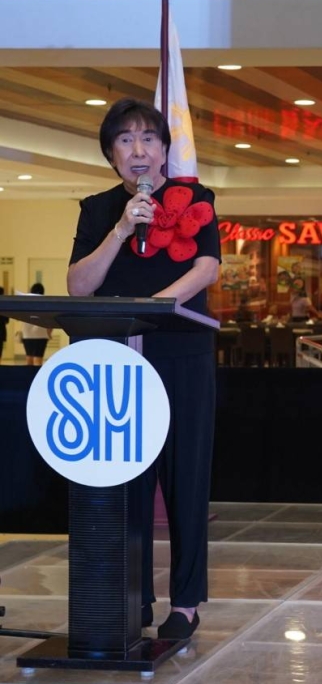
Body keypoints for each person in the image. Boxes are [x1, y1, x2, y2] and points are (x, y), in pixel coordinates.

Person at [66, 98, 220, 641]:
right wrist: (118, 230)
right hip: (119, 358)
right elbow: (79, 287)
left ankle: (186, 602)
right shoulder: (97, 208)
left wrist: (157, 305)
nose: (139, 149)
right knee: (127, 482)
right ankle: (135, 596)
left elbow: (206, 267)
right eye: (126, 140)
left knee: (185, 478)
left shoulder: (196, 199)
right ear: (111, 155)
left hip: (181, 354)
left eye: (148, 138)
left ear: (162, 150)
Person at [18, 283, 54, 366]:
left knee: (29, 360)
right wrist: (49, 333)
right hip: (41, 334)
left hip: (27, 335)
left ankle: (28, 378)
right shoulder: (45, 303)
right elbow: (49, 320)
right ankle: (37, 378)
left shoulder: (26, 303)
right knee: (38, 360)